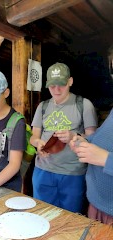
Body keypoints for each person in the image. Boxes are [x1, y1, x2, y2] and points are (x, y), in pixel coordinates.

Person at [30, 62, 98, 213]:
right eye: (52, 85)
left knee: (69, 219)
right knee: (40, 215)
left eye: (61, 84)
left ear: (70, 81)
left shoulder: (84, 105)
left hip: (73, 173)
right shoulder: (43, 106)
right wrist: (38, 143)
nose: (57, 90)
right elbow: (33, 137)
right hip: (43, 171)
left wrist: (75, 136)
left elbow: (94, 140)